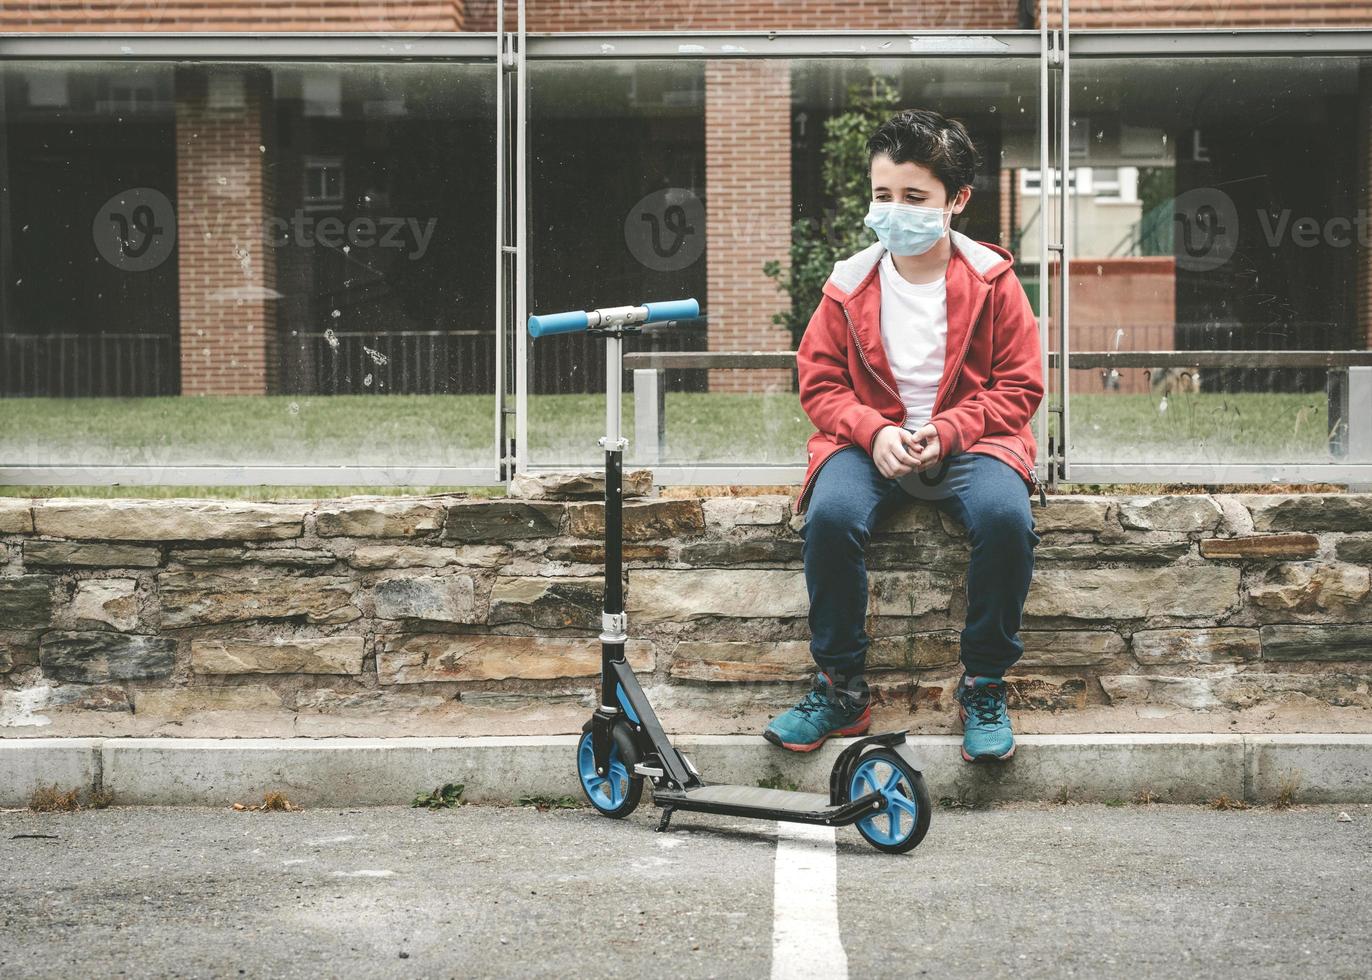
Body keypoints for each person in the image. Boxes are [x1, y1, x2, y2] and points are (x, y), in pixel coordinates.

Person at [763, 108, 1046, 763]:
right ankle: (840, 691)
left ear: (958, 200)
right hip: (869, 447)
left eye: (915, 198)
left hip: (973, 445)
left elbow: (1021, 387)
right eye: (882, 195)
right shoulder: (848, 283)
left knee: (1007, 519)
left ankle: (983, 684)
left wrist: (949, 430)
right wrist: (871, 429)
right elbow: (820, 383)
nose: (895, 211)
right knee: (830, 516)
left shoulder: (994, 282)